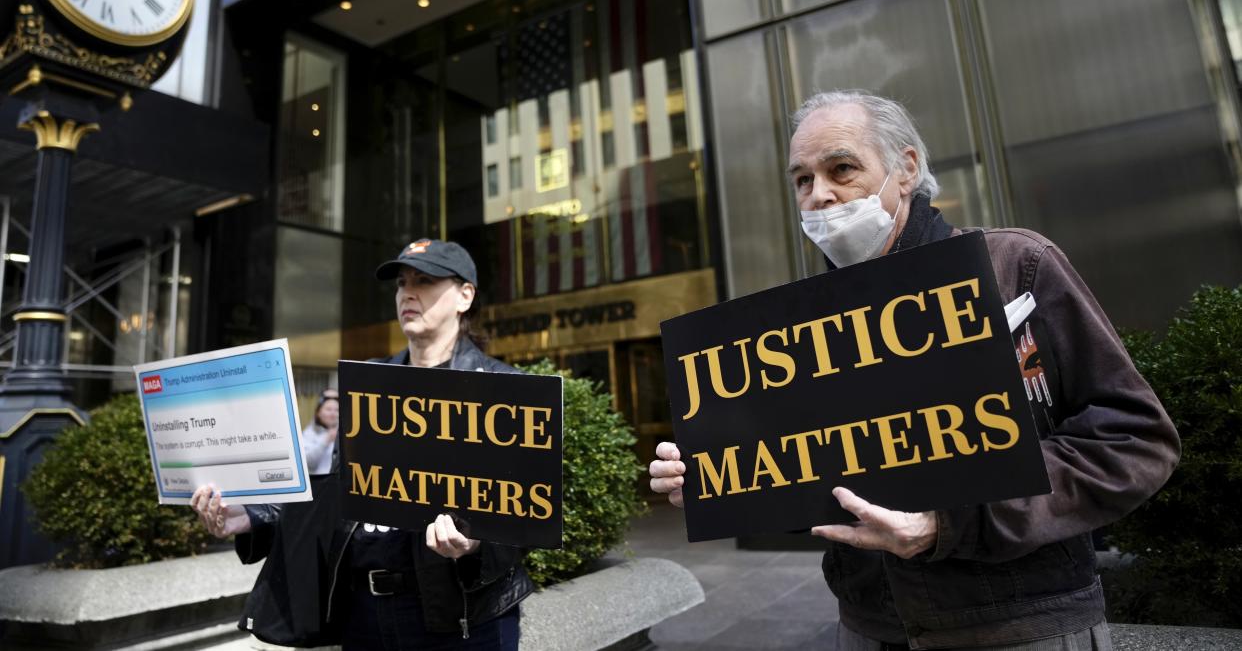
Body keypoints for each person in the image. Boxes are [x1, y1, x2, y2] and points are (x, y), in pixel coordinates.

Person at [649, 90, 1180, 650]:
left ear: (906, 169)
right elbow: (822, 483)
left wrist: (949, 523)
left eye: (842, 168)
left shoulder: (1014, 266)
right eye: (802, 180)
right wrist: (720, 477)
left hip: (1018, 628)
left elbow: (1135, 441)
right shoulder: (801, 329)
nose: (820, 196)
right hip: (868, 629)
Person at [192, 238, 531, 650]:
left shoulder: (502, 388)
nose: (407, 292)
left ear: (465, 295)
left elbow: (523, 514)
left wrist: (476, 543)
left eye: (425, 281)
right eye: (402, 282)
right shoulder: (369, 382)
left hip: (460, 619)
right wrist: (252, 516)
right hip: (363, 614)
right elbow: (337, 494)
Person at [302, 388, 339, 475]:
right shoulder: (309, 433)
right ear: (318, 412)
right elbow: (308, 462)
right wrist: (326, 440)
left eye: (336, 410)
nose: (333, 413)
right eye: (329, 409)